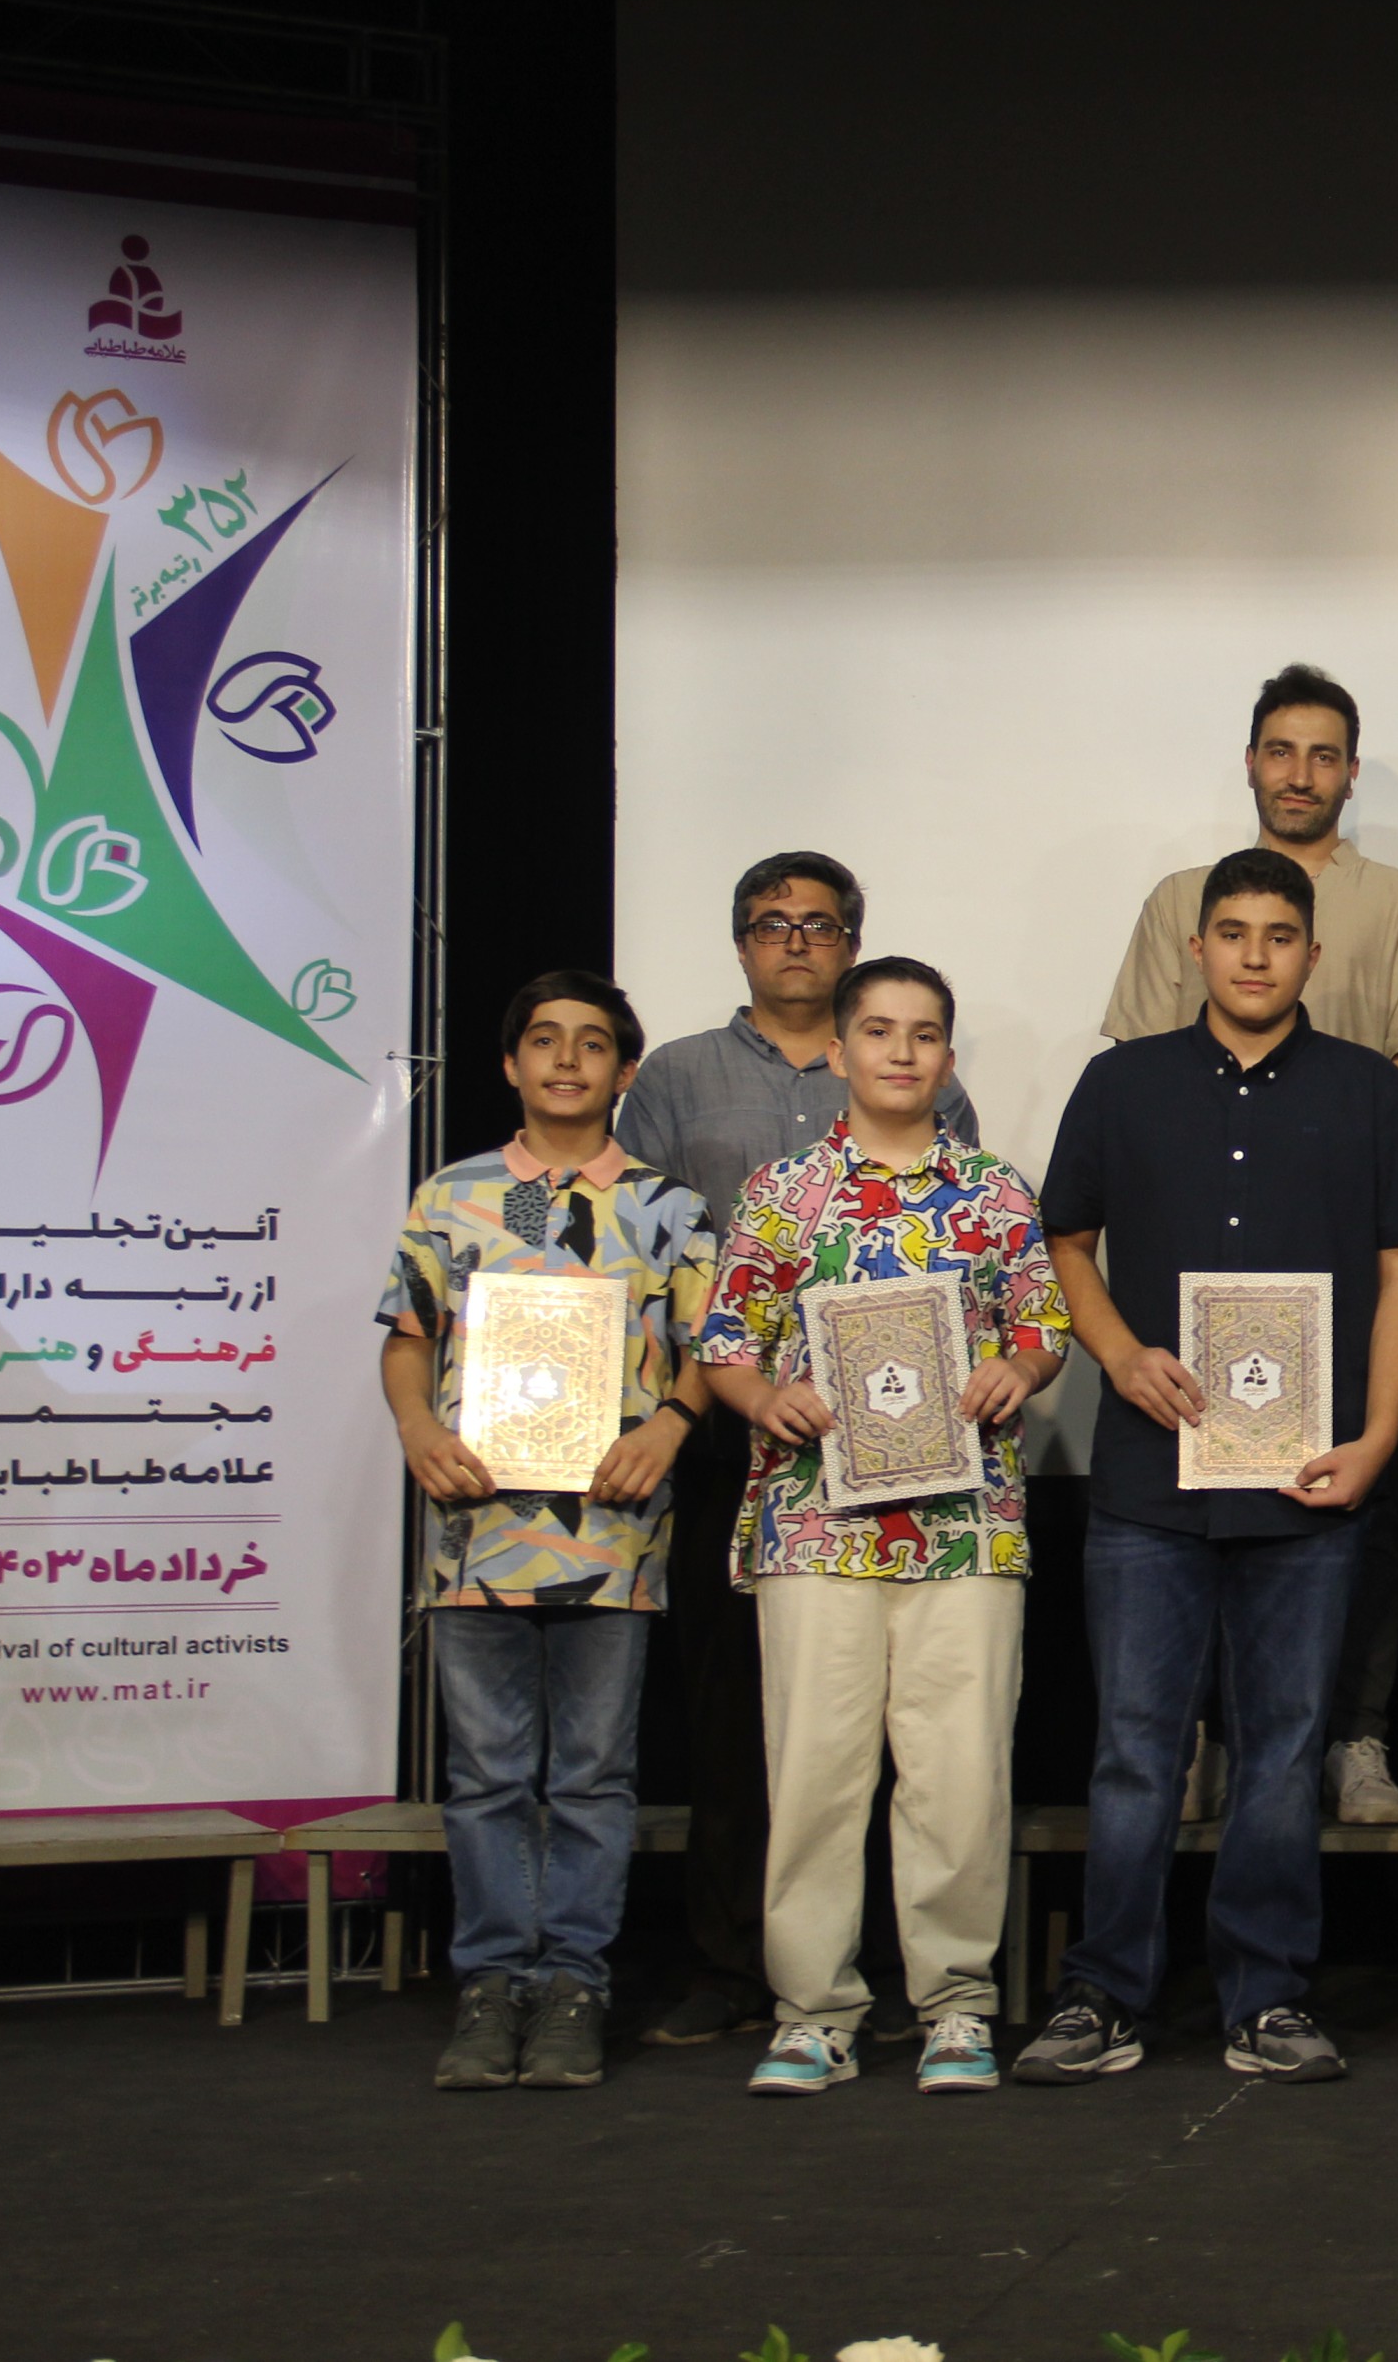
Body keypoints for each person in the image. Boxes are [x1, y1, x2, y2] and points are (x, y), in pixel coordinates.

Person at [1025, 847, 1398, 2086]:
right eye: (1232, 932)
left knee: (1280, 1748)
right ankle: (1103, 1993)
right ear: (1197, 947)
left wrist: (1379, 1437)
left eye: (1278, 935)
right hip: (1147, 1478)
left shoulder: (1373, 1092)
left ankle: (1265, 1997)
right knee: (1135, 1747)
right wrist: (1117, 1353)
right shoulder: (1121, 1082)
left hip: (1308, 1479)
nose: (1254, 955)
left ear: (1313, 954)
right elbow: (1065, 1238)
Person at [615, 850, 982, 2051]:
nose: (795, 940)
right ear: (741, 942)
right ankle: (754, 1972)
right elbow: (659, 1258)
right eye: (772, 923)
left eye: (819, 925)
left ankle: (908, 1981)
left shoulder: (946, 1120)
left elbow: (979, 1288)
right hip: (754, 1442)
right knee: (757, 1725)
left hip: (921, 1455)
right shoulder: (684, 1084)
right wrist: (729, 1392)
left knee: (920, 1743)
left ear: (849, 944)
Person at [697, 957, 1071, 2095]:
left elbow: (1043, 1326)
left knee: (958, 1773)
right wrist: (765, 1398)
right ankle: (813, 2009)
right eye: (878, 1030)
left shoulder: (994, 1191)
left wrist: (1019, 1369)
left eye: (923, 1034)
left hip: (964, 1524)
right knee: (816, 1772)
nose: (901, 1051)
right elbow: (725, 1343)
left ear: (947, 1057)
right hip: (816, 1523)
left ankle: (955, 2005)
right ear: (839, 1051)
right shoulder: (783, 1192)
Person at [1100, 663, 1398, 1830]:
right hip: (1196, 1263)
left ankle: (1354, 1730)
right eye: (1280, 750)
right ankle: (1203, 1730)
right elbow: (1145, 1076)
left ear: (1350, 772)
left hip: (1340, 1249)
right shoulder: (1179, 895)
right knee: (1193, 1498)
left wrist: (1310, 1138)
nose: (1300, 773)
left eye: (1324, 754)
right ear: (1251, 761)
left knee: (1353, 1497)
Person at [378, 972, 714, 2093]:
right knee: (484, 1775)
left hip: (611, 1536)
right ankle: (491, 1982)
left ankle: (572, 1980)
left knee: (591, 1774)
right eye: (543, 1040)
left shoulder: (670, 1207)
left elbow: (709, 1353)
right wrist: (418, 1426)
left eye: (592, 1044)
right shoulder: (452, 1195)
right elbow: (407, 1335)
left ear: (626, 1071)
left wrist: (669, 1424)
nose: (567, 1060)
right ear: (510, 1064)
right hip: (476, 1531)